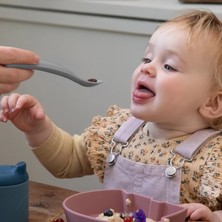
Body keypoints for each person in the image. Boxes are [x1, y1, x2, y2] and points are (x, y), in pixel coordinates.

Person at [0, 9, 222, 221]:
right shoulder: (118, 129)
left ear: (212, 103)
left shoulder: (214, 157)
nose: (147, 68)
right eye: (147, 59)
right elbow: (68, 161)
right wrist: (38, 129)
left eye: (169, 66)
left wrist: (213, 217)